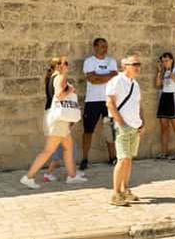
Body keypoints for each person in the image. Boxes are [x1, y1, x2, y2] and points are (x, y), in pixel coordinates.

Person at [20, 57, 88, 189]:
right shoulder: (60, 77)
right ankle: (28, 177)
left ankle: (72, 176)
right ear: (58, 66)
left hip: (54, 117)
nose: (66, 65)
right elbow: (58, 95)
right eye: (63, 63)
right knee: (48, 151)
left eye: (67, 63)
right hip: (58, 119)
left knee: (68, 146)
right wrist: (70, 90)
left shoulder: (51, 78)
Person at [106, 55, 144, 206]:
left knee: (128, 160)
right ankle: (115, 194)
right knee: (122, 159)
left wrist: (142, 122)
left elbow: (139, 105)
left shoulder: (135, 84)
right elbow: (110, 103)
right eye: (134, 64)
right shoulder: (116, 81)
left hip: (134, 126)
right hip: (122, 126)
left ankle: (125, 189)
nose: (137, 66)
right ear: (124, 66)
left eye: (138, 63)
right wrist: (121, 123)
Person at [81, 38, 119, 169]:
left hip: (108, 100)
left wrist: (99, 76)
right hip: (92, 101)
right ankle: (85, 159)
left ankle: (112, 157)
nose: (105, 48)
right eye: (102, 46)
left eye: (106, 46)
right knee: (88, 131)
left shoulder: (112, 61)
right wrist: (107, 76)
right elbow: (92, 80)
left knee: (109, 129)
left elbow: (115, 77)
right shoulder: (89, 62)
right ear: (95, 47)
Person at [155, 52, 175, 160]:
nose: (165, 63)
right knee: (164, 127)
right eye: (163, 61)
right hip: (164, 97)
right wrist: (159, 72)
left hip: (173, 98)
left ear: (172, 60)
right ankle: (164, 152)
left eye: (166, 60)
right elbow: (158, 85)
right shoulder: (163, 71)